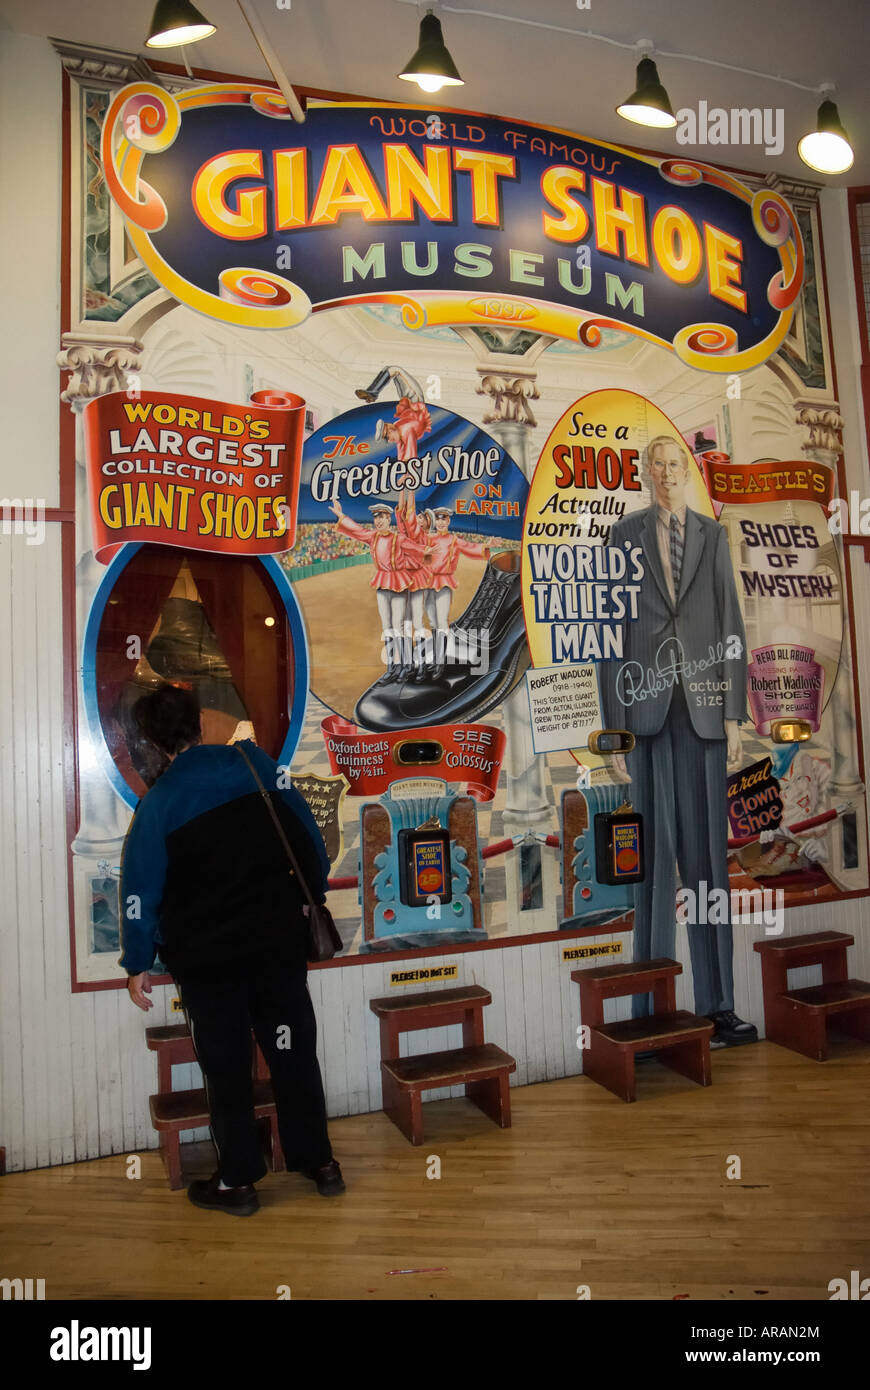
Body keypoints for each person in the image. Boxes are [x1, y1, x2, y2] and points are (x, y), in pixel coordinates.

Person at [119, 683, 344, 1216]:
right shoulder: (256, 766)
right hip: (277, 945)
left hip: (208, 962)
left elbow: (139, 889)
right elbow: (309, 839)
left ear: (152, 740)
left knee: (226, 1068)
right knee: (293, 1052)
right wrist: (312, 897)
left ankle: (238, 1184)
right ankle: (320, 1164)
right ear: (200, 724)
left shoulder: (161, 803)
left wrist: (136, 961)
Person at [598, 435, 757, 1048]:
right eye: (655, 466)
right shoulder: (623, 536)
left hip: (706, 716)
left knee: (708, 868)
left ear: (685, 474)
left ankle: (719, 1006)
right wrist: (612, 729)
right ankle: (651, 1008)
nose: (665, 474)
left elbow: (730, 625)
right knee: (653, 867)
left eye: (673, 465)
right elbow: (611, 633)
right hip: (643, 717)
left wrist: (737, 718)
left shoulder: (714, 537)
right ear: (644, 475)